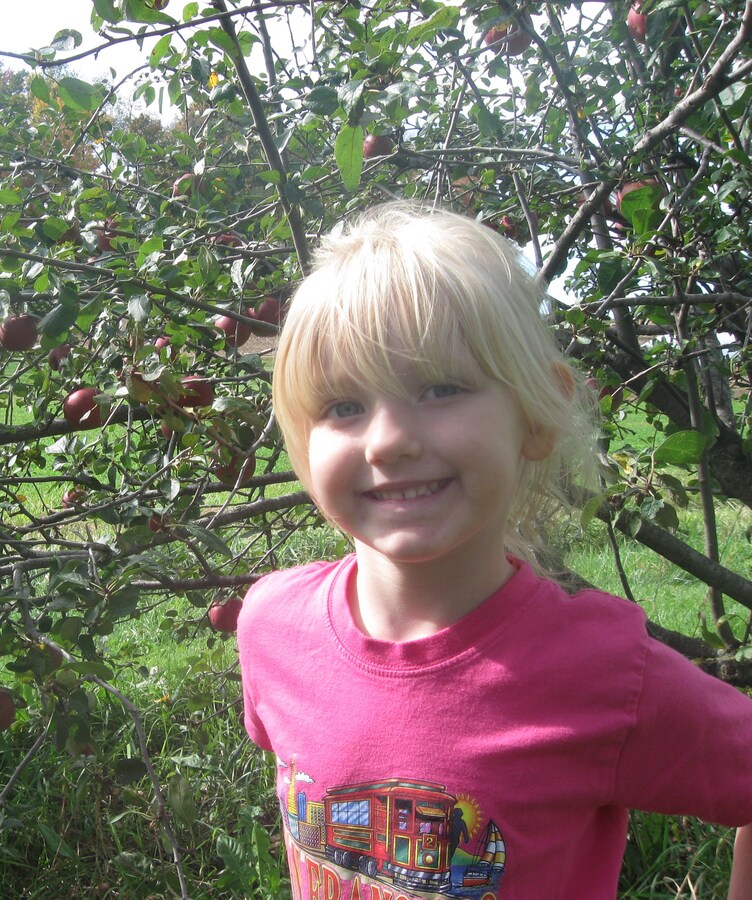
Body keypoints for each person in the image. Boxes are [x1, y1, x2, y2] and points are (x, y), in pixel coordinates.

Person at [237, 202, 752, 899]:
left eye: (441, 388)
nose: (388, 440)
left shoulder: (605, 675)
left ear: (536, 416)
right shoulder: (272, 626)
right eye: (342, 407)